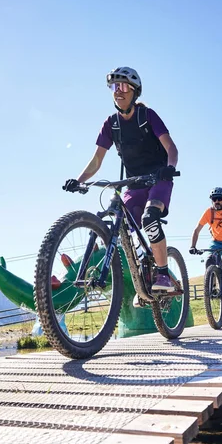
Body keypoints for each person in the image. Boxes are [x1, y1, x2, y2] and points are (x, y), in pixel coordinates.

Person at [63, 67, 179, 292]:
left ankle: (163, 273)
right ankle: (141, 280)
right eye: (115, 87)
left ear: (135, 91)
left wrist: (169, 168)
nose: (119, 91)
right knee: (119, 224)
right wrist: (78, 180)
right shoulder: (111, 124)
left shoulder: (147, 116)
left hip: (158, 179)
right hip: (133, 183)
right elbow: (97, 160)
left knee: (150, 219)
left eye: (124, 86)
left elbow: (171, 148)